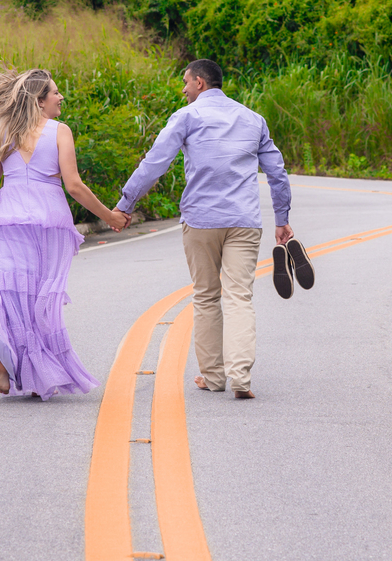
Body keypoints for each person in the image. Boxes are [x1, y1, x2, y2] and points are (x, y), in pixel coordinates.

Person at [112, 59, 295, 399]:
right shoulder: (253, 119)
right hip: (243, 220)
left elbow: (155, 163)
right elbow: (277, 173)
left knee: (207, 297)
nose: (183, 89)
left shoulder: (187, 117)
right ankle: (241, 376)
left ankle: (213, 376)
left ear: (199, 82)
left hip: (200, 220)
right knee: (240, 297)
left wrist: (125, 205)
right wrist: (282, 219)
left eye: (185, 82)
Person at [0, 68, 127, 400]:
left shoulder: (3, 133)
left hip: (8, 221)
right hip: (48, 223)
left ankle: (15, 368)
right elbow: (74, 186)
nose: (60, 98)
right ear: (39, 100)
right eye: (55, 93)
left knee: (9, 293)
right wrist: (110, 217)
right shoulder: (60, 132)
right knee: (38, 299)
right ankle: (25, 369)